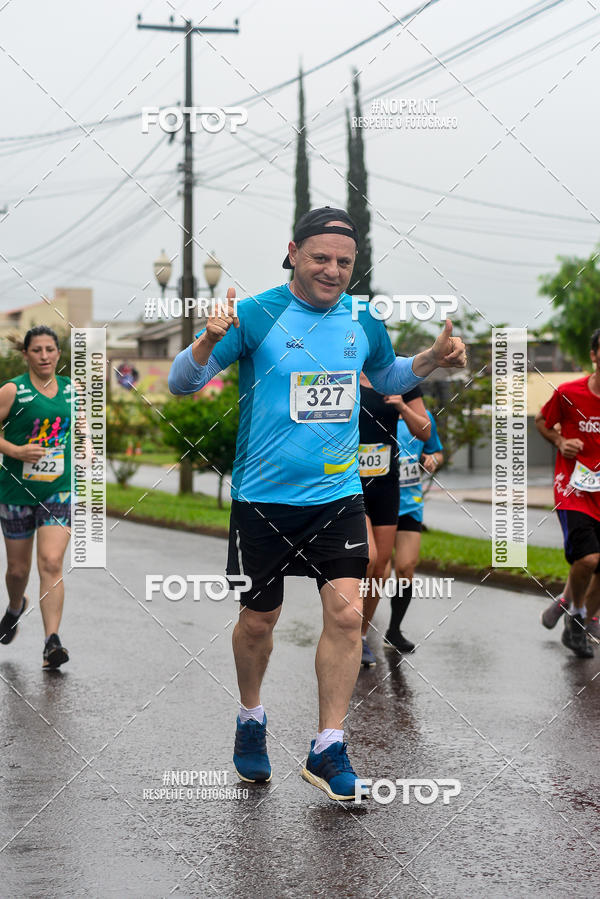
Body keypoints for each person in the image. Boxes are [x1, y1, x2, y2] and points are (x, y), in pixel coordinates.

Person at [168, 206, 466, 801]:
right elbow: (181, 383)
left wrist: (430, 361)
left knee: (349, 616)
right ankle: (251, 719)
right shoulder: (255, 315)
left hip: (338, 494)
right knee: (259, 622)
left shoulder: (363, 319)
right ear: (294, 252)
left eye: (344, 262)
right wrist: (208, 337)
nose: (333, 271)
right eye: (321, 258)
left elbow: (386, 373)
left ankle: (328, 744)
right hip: (262, 500)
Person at [0, 325, 72, 668]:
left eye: (50, 349)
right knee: (17, 570)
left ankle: (51, 642)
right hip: (15, 491)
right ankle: (16, 606)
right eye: (37, 350)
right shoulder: (13, 390)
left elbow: (83, 431)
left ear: (58, 354)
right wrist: (14, 449)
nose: (44, 356)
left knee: (51, 562)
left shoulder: (73, 391)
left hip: (57, 489)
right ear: (26, 354)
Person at [358, 373, 431, 668]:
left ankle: (360, 635)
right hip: (348, 480)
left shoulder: (401, 375)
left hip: (386, 484)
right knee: (367, 558)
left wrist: (401, 406)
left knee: (380, 568)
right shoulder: (344, 364)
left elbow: (424, 431)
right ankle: (344, 627)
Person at [536, 328, 600, 658]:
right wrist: (561, 442)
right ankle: (576, 616)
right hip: (574, 488)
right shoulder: (569, 392)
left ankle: (577, 618)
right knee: (588, 558)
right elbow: (542, 421)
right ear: (594, 355)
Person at [383, 409, 444, 652]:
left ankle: (393, 630)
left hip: (410, 504)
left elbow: (436, 451)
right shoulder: (371, 408)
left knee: (406, 567)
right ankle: (358, 632)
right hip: (377, 503)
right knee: (379, 570)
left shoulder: (422, 416)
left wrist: (432, 460)